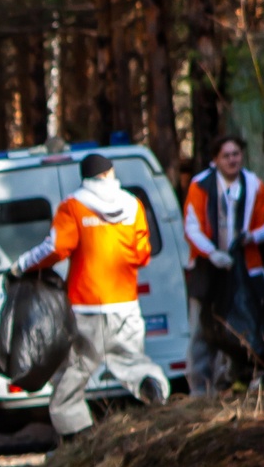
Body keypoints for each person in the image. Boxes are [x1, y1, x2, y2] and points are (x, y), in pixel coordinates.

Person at [14, 152, 170, 439]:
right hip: (125, 303)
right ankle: (153, 387)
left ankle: (78, 435)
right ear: (110, 173)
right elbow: (142, 254)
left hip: (86, 306)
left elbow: (55, 249)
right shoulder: (133, 205)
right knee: (132, 360)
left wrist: (21, 265)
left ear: (85, 178)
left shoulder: (73, 206)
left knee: (76, 370)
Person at [182, 135, 264, 389]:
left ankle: (242, 378)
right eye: (227, 155)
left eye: (236, 154)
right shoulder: (200, 186)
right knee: (202, 330)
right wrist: (212, 253)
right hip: (207, 270)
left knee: (250, 324)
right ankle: (200, 390)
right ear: (215, 159)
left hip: (245, 268)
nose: (233, 160)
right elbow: (191, 227)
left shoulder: (254, 185)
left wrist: (250, 237)